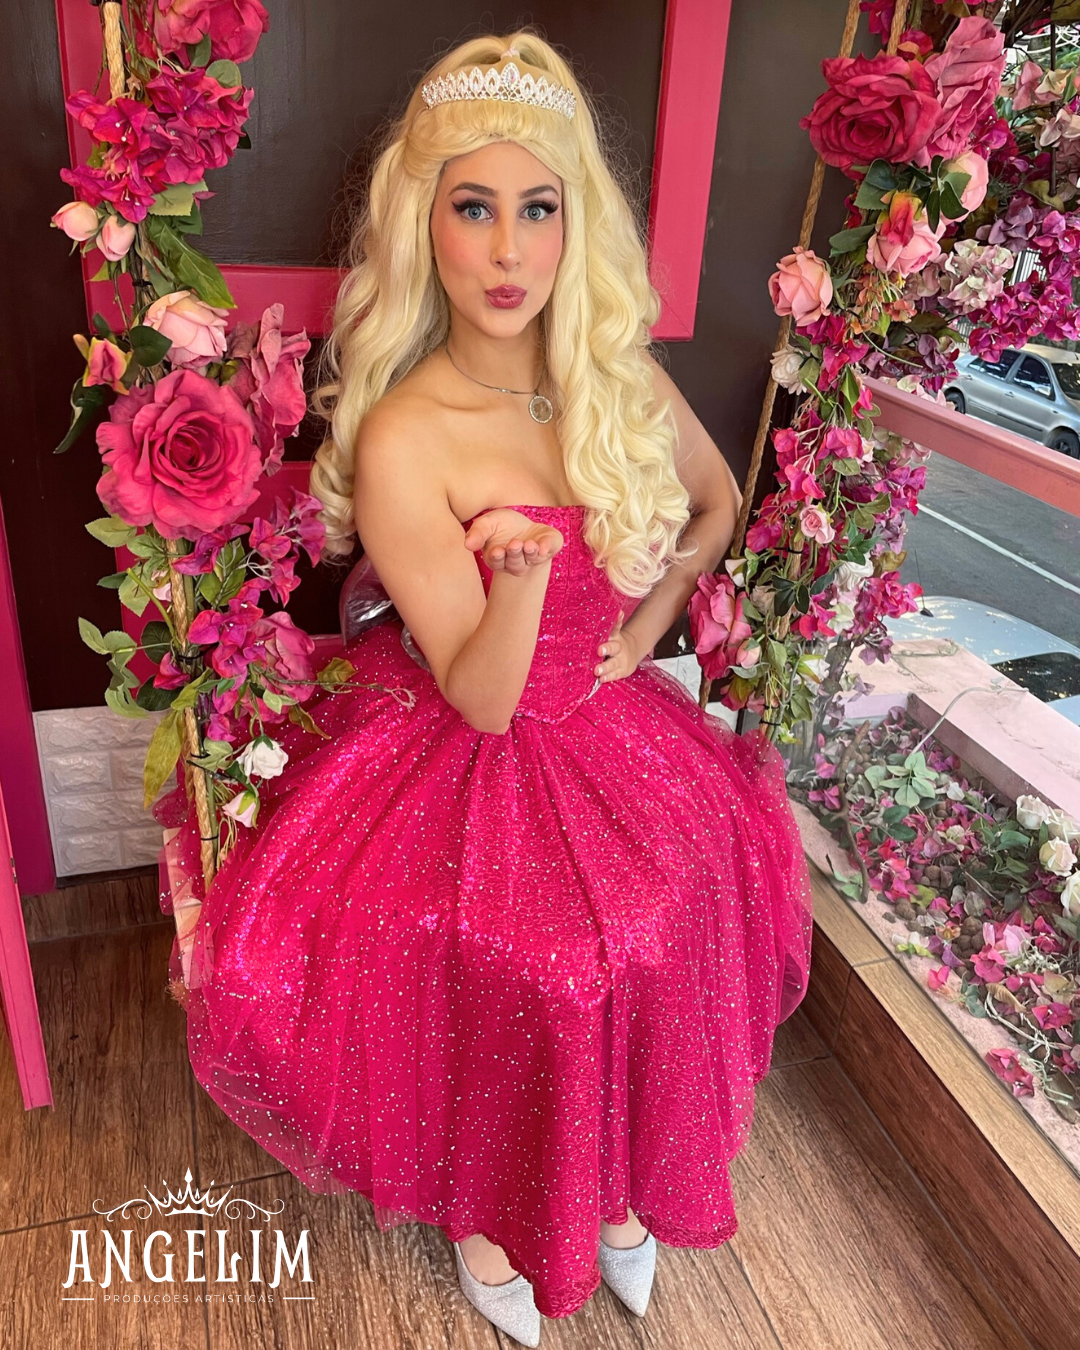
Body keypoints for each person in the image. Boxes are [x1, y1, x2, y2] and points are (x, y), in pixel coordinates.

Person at [177, 29, 813, 1347]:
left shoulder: (610, 379)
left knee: (674, 914)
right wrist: (520, 576)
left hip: (604, 721)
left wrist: (644, 629)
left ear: (577, 226)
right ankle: (488, 1212)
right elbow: (477, 696)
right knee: (517, 961)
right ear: (427, 224)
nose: (509, 251)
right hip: (465, 732)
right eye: (475, 209)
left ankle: (620, 1184)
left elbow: (716, 502)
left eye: (539, 208)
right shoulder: (408, 432)